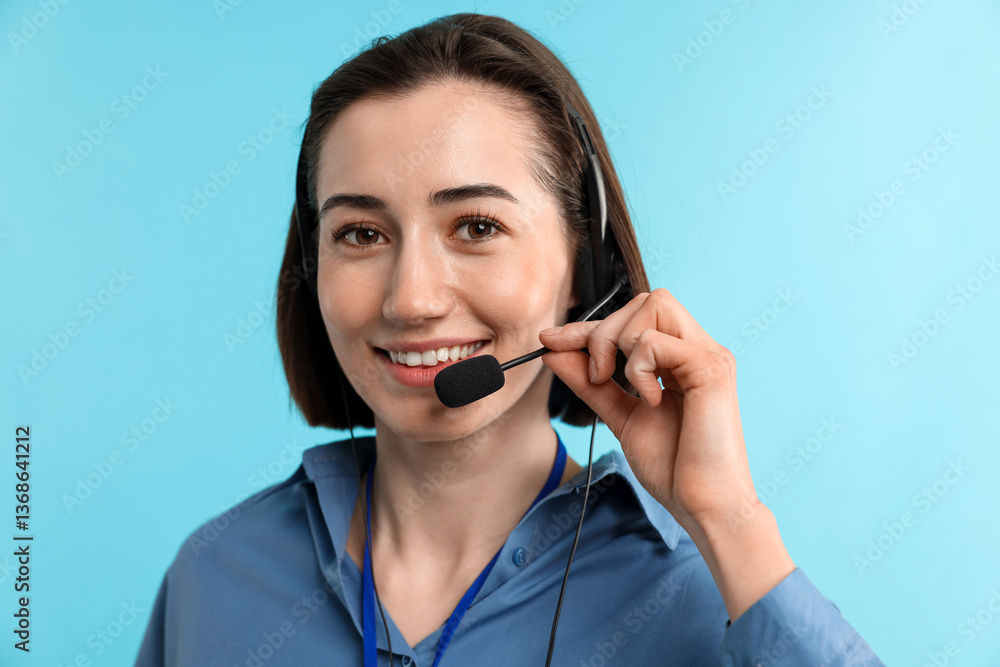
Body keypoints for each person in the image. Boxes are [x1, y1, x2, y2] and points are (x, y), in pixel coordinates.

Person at [135, 13, 884, 666]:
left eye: (477, 227)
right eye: (361, 233)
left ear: (584, 265)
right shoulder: (216, 578)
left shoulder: (706, 598)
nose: (412, 299)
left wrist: (729, 517)